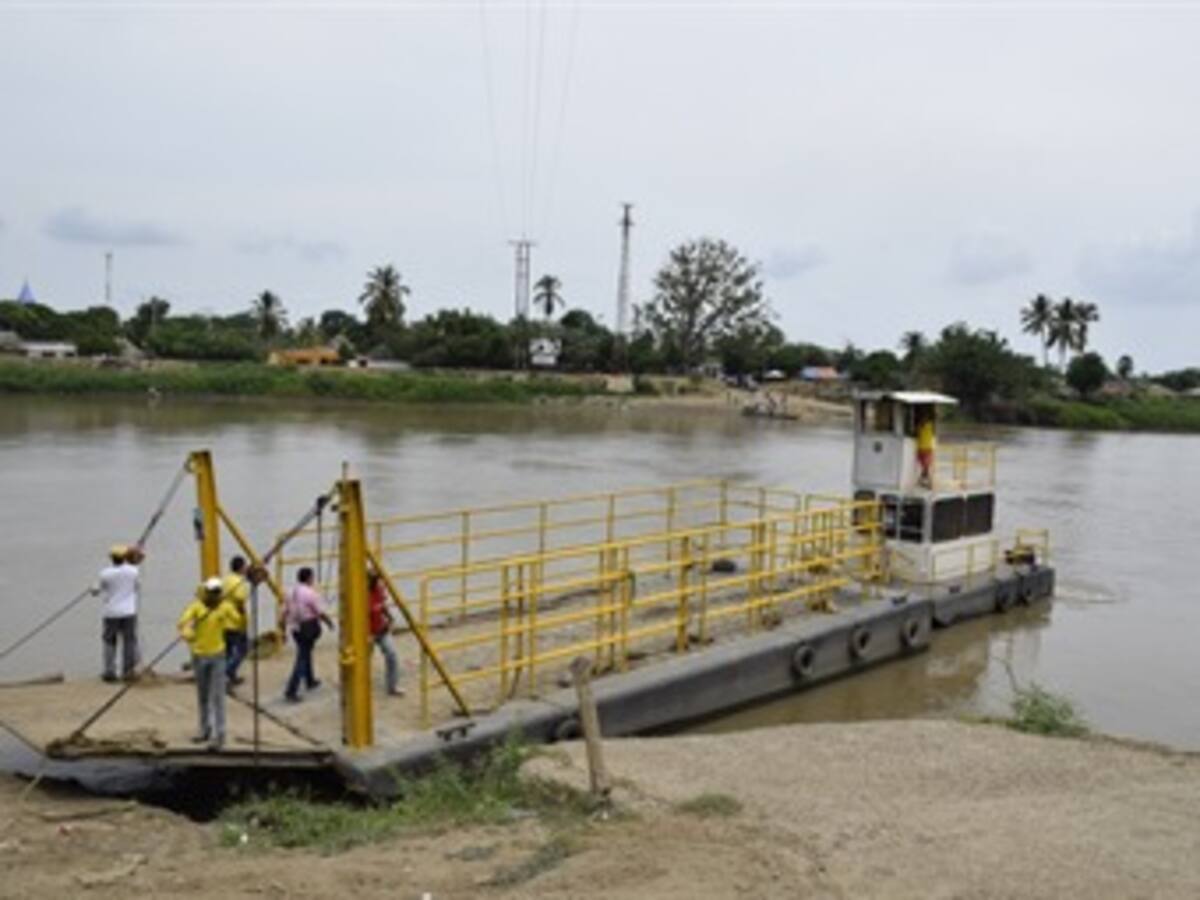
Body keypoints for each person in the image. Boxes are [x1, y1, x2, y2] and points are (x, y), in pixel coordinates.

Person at [178, 577, 239, 750]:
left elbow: (236, 622)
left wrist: (237, 608)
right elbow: (184, 622)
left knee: (218, 696)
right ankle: (204, 730)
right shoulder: (196, 607)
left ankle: (220, 734)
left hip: (218, 656)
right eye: (212, 592)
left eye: (217, 592)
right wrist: (187, 632)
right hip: (199, 656)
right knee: (203, 696)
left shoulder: (225, 607)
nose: (214, 595)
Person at [283, 567, 334, 703]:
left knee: (305, 653)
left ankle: (310, 679)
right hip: (307, 626)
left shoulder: (290, 592)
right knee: (302, 657)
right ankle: (291, 690)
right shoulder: (310, 594)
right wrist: (329, 623)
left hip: (295, 628)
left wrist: (282, 629)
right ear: (309, 578)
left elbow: (285, 611)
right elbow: (319, 611)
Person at [92, 544, 142, 683]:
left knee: (109, 642)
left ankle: (109, 672)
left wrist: (92, 589)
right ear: (124, 557)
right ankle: (128, 671)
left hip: (111, 613)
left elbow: (96, 590)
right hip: (129, 612)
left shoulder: (105, 573)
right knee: (129, 641)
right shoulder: (133, 571)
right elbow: (137, 586)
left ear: (111, 558)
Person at [368, 572, 403, 696]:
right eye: (377, 581)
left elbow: (382, 606)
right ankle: (360, 686)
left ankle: (392, 686)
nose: (380, 584)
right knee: (364, 661)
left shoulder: (379, 590)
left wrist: (390, 618)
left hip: (381, 630)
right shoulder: (361, 596)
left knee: (392, 655)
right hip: (367, 634)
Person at [222, 556, 251, 688]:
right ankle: (225, 673)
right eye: (245, 566)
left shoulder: (225, 579)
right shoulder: (239, 583)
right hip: (235, 622)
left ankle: (231, 675)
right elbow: (240, 601)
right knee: (242, 649)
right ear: (241, 568)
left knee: (227, 651)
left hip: (223, 620)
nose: (246, 569)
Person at [915, 405, 936, 488]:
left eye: (925, 418)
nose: (923, 420)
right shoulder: (919, 426)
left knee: (926, 466)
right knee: (924, 466)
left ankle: (927, 482)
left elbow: (934, 418)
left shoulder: (930, 425)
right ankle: (923, 480)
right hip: (920, 448)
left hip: (927, 448)